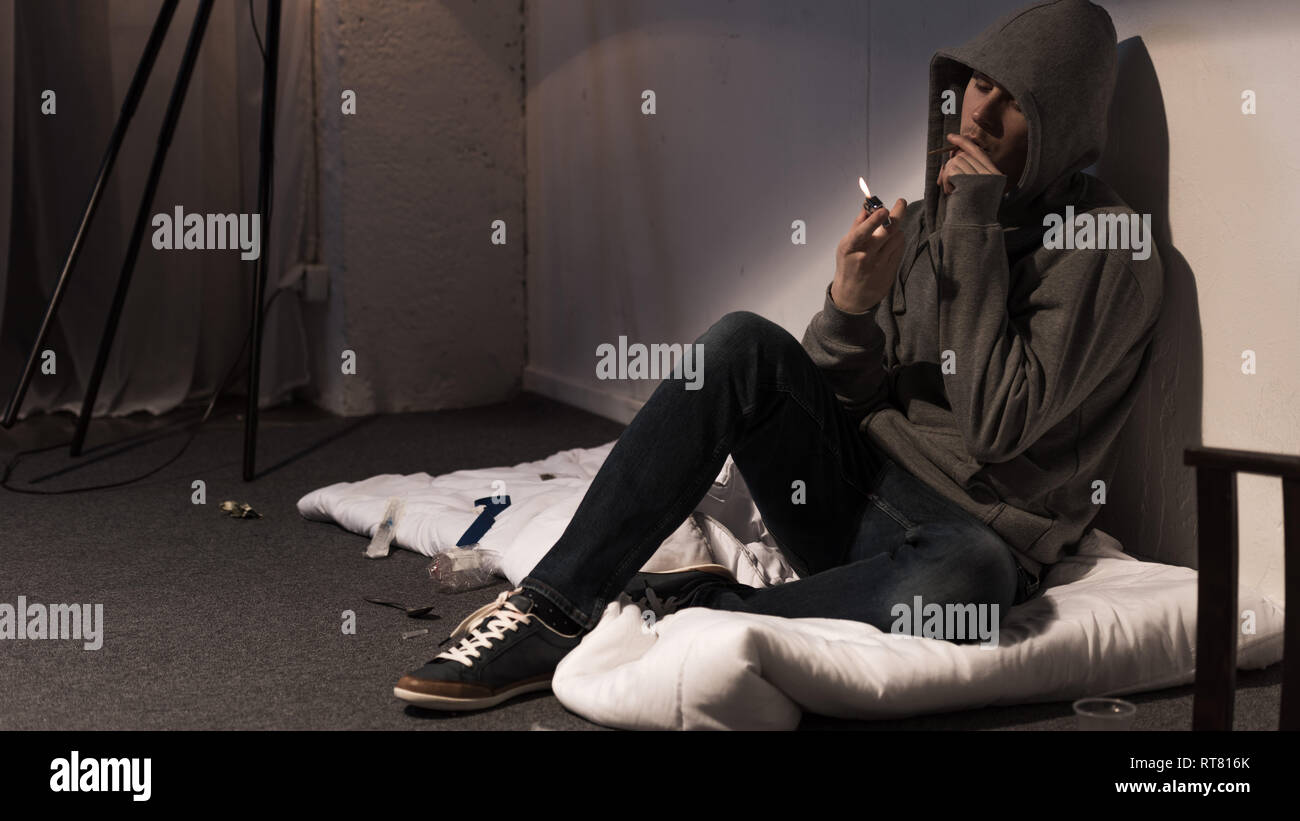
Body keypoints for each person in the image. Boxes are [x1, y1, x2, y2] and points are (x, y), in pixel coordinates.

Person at [393, 0, 1163, 712]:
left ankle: (703, 609)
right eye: (978, 86)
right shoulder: (929, 222)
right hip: (853, 495)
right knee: (741, 343)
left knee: (976, 578)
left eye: (1016, 101)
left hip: (964, 535)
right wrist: (851, 306)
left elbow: (998, 425)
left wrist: (974, 231)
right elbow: (847, 400)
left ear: (1062, 126)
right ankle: (551, 608)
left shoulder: (1106, 251)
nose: (981, 115)